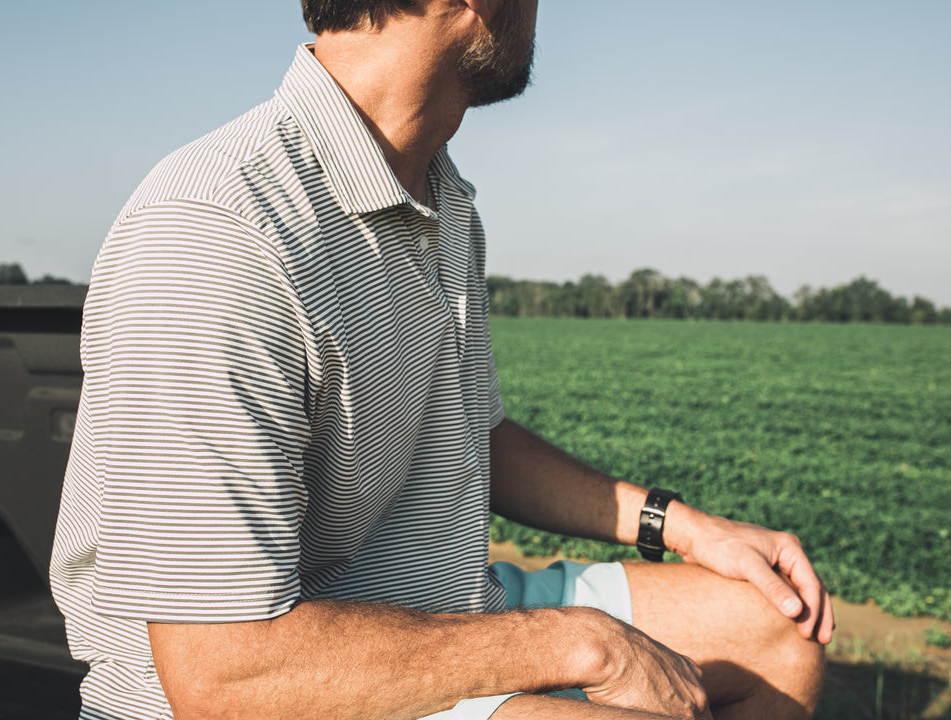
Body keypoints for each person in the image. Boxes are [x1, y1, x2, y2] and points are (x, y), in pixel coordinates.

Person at [50, 2, 834, 719]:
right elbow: (223, 675)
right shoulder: (219, 228)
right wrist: (580, 642)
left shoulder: (441, 196)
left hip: (450, 609)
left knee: (779, 626)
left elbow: (471, 432)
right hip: (286, 678)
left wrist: (683, 526)